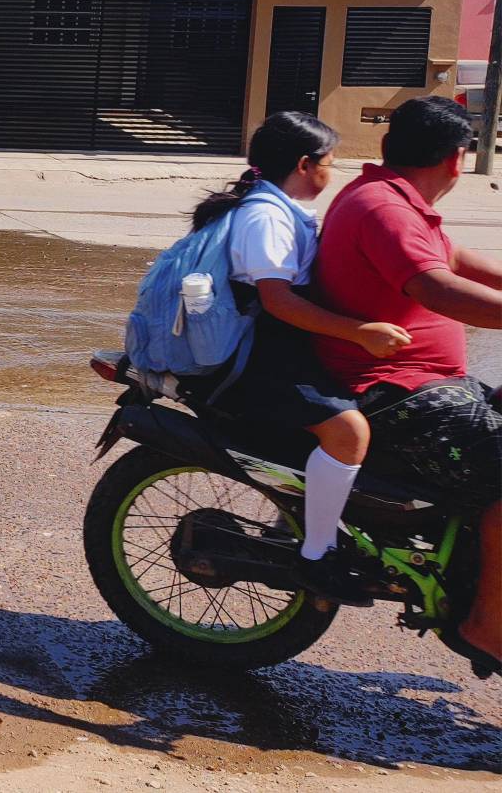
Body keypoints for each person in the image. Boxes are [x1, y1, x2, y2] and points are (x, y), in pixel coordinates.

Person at [314, 95, 502, 674]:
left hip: (426, 382)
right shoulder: (385, 207)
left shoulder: (397, 198)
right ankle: (487, 626)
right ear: (458, 158)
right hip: (394, 390)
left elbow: (457, 261)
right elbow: (435, 288)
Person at [193, 112, 410, 603]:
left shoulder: (276, 205)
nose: (334, 174)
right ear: (305, 164)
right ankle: (317, 557)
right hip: (256, 356)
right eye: (330, 163)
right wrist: (360, 333)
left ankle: (305, 518)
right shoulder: (265, 216)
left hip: (279, 344)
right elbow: (278, 302)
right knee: (347, 431)